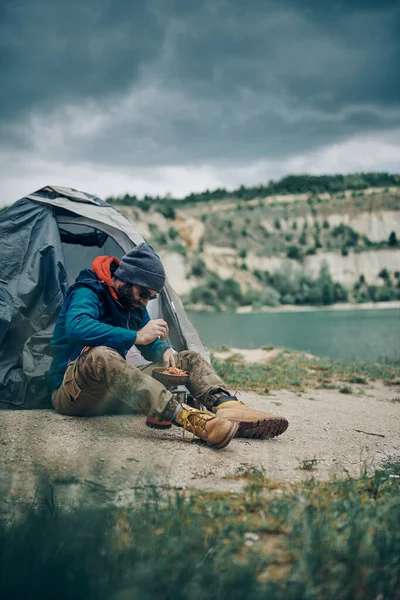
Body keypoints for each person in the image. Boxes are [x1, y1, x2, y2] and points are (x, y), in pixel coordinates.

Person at [46, 243, 288, 449]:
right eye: (144, 294)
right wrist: (136, 335)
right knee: (100, 355)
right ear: (128, 278)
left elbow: (149, 343)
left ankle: (228, 408)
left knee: (186, 359)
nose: (145, 301)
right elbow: (77, 328)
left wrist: (162, 350)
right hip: (74, 392)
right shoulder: (88, 291)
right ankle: (189, 418)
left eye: (151, 297)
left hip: (112, 393)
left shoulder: (133, 303)